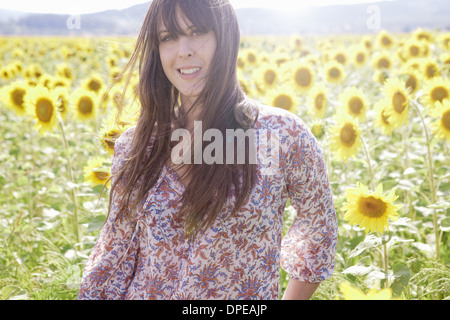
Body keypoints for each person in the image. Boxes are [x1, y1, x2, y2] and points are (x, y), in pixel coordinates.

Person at [78, 0, 337, 300]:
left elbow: (319, 227)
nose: (184, 50)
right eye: (168, 37)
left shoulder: (281, 135)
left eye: (197, 31)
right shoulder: (136, 145)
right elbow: (114, 254)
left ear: (225, 38)